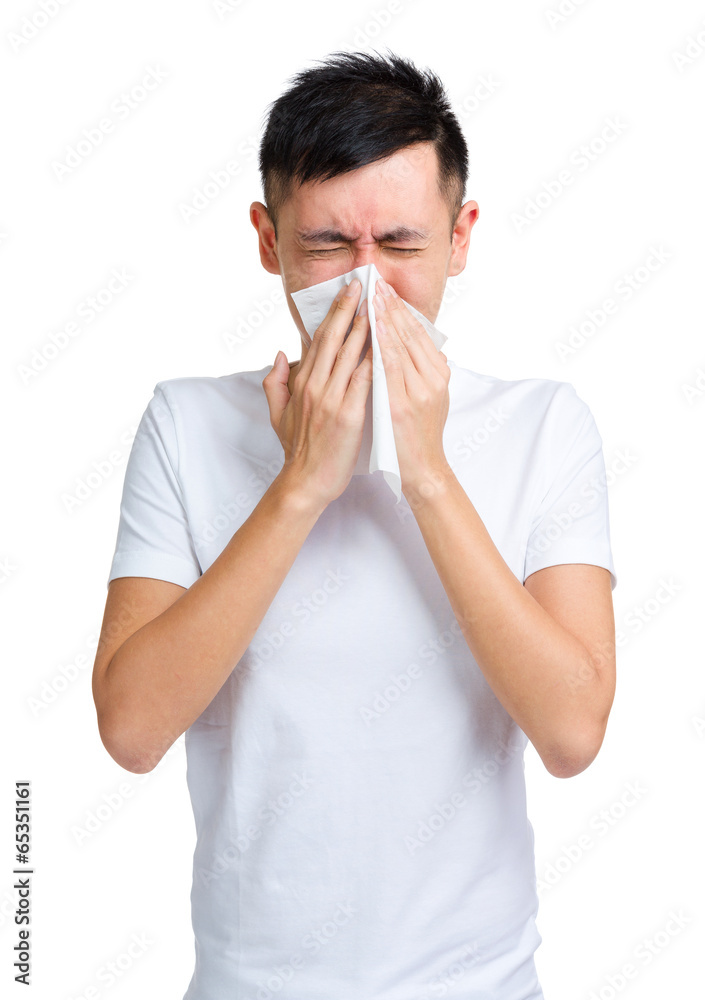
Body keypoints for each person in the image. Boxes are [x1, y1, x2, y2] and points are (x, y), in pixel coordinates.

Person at [92, 49, 617, 1000]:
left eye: (402, 246)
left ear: (459, 237)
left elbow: (573, 733)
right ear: (270, 241)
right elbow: (130, 731)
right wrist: (299, 487)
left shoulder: (545, 425)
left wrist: (427, 473)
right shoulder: (186, 423)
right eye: (329, 245)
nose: (366, 286)